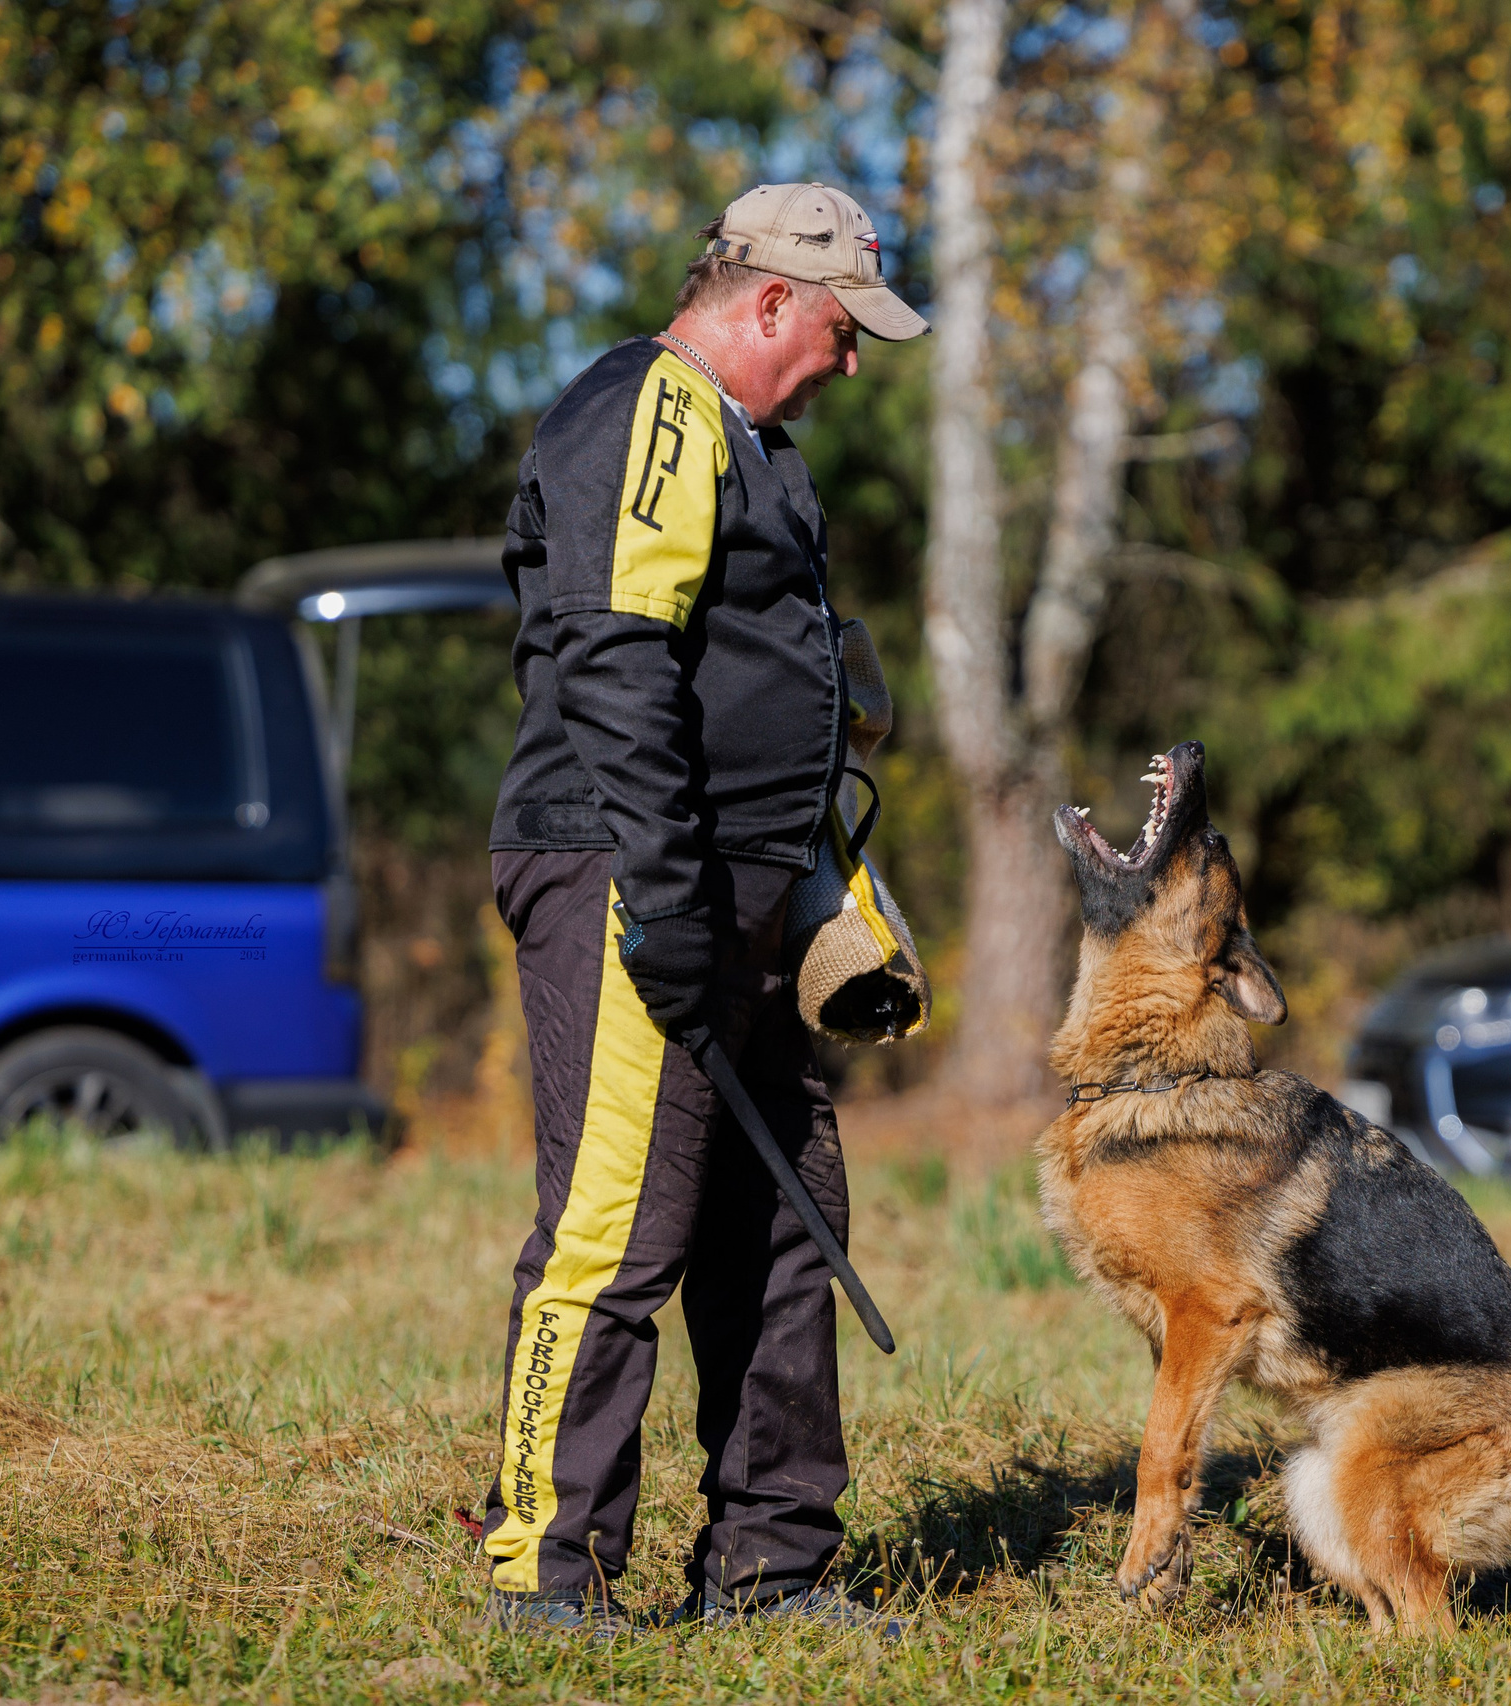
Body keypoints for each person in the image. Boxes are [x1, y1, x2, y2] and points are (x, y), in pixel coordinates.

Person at [476, 183, 928, 1638]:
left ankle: (773, 1566)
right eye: (847, 330)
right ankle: (550, 1575)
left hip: (738, 885)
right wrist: (664, 902)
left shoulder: (749, 443)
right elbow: (615, 660)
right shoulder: (655, 409)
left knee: (787, 1218)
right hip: (633, 869)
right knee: (618, 1229)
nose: (855, 361)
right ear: (773, 299)